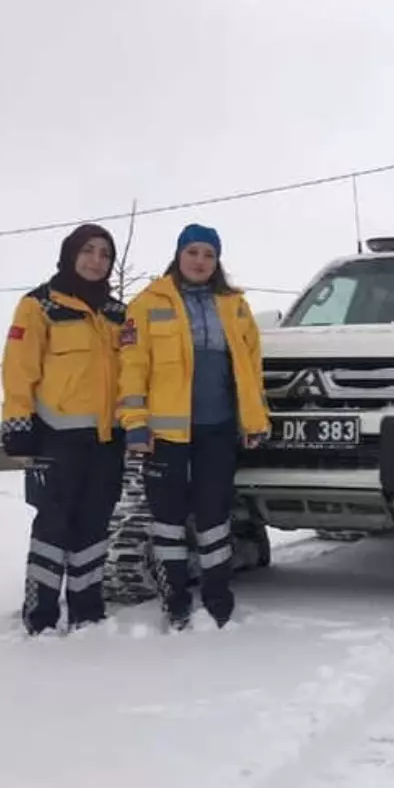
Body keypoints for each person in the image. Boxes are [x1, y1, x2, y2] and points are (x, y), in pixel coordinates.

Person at [117, 224, 270, 630]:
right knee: (167, 519)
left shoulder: (234, 305)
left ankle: (219, 600)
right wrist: (135, 423)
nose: (200, 261)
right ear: (178, 255)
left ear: (217, 261)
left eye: (209, 254)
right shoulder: (147, 303)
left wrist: (254, 420)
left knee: (213, 516)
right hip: (164, 435)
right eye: (193, 253)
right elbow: (132, 369)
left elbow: (250, 368)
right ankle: (176, 599)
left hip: (217, 429)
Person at [0, 223, 128, 635]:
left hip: (107, 441)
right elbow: (19, 370)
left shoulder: (117, 314)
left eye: (105, 254)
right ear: (71, 253)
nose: (96, 260)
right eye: (88, 250)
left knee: (94, 525)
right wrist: (18, 427)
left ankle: (87, 612)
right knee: (54, 526)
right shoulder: (38, 305)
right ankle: (40, 616)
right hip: (55, 437)